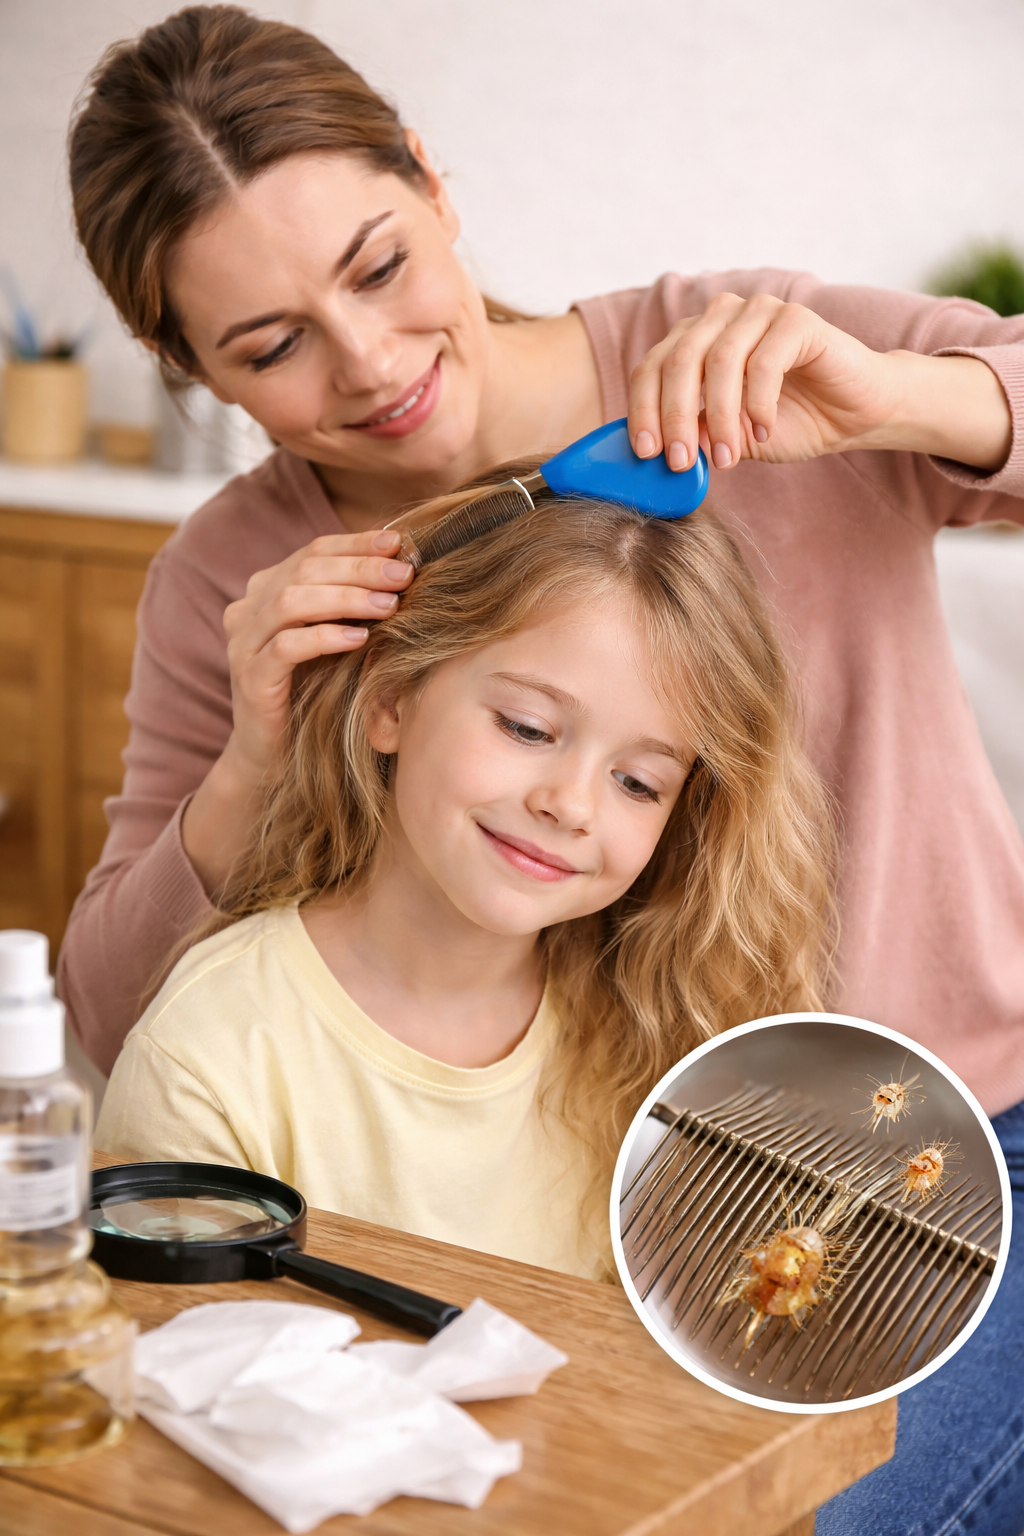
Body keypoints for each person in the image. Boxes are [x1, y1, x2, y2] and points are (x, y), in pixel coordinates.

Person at [67, 11, 1024, 1531]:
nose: (369, 362)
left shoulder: (743, 343)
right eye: (270, 345)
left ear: (435, 188)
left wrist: (905, 401)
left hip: (952, 1147)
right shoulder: (233, 575)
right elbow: (125, 1031)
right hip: (626, 1189)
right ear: (190, 367)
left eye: (379, 266)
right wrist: (255, 751)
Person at [95, 485, 834, 1279]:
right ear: (391, 700)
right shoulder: (211, 1057)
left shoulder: (660, 1034)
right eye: (526, 728)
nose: (571, 804)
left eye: (638, 783)